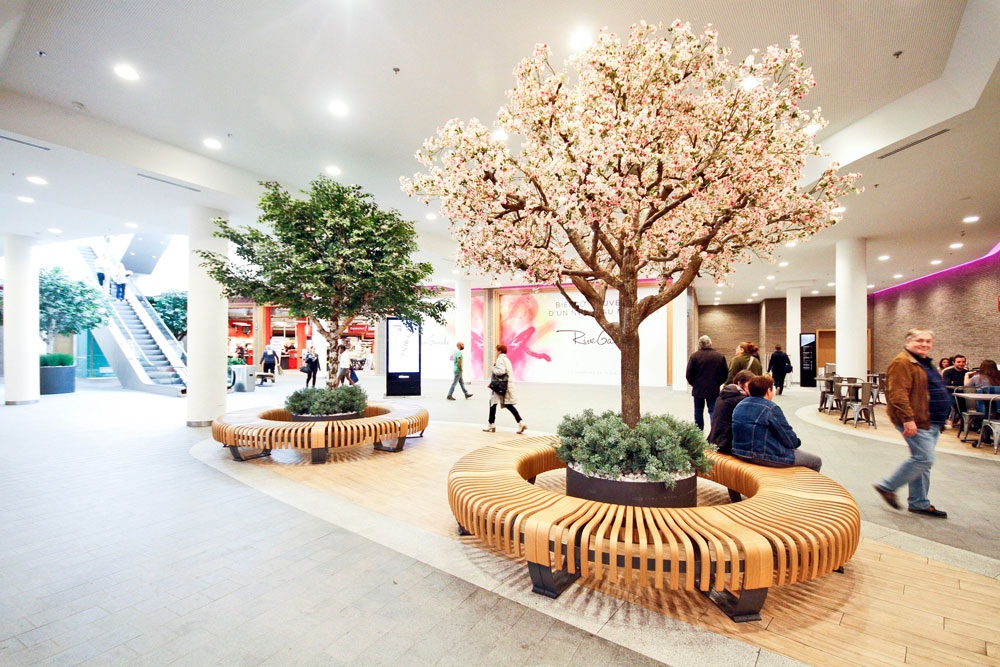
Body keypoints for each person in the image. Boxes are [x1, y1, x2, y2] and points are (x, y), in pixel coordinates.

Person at [874, 329, 950, 518]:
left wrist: (944, 414)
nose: (924, 344)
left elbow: (933, 390)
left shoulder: (925, 362)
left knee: (923, 461)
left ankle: (919, 502)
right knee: (924, 459)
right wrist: (908, 419)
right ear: (908, 341)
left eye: (928, 341)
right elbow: (898, 394)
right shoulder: (902, 362)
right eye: (919, 340)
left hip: (932, 419)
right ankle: (887, 487)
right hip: (917, 420)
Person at [731, 374, 822, 471]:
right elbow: (789, 439)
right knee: (815, 461)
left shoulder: (740, 404)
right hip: (762, 455)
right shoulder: (770, 408)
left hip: (739, 451)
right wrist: (796, 442)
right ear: (768, 391)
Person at [707, 370, 755, 454]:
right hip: (726, 445)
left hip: (714, 440)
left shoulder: (724, 394)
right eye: (750, 384)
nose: (752, 387)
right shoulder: (740, 400)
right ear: (740, 383)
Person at [685, 335, 728, 430]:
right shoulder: (719, 356)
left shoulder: (694, 356)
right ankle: (713, 432)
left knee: (698, 411)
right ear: (711, 344)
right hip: (713, 389)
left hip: (698, 389)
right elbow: (725, 374)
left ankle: (698, 432)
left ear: (699, 345)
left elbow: (689, 374)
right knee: (713, 411)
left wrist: (694, 384)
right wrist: (718, 383)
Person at [483, 344, 526, 434]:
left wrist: (493, 369)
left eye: (496, 350)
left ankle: (491, 424)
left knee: (493, 403)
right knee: (507, 404)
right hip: (505, 385)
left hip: (499, 386)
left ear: (499, 351)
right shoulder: (506, 360)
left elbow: (501, 371)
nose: (495, 352)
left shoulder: (500, 359)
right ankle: (520, 422)